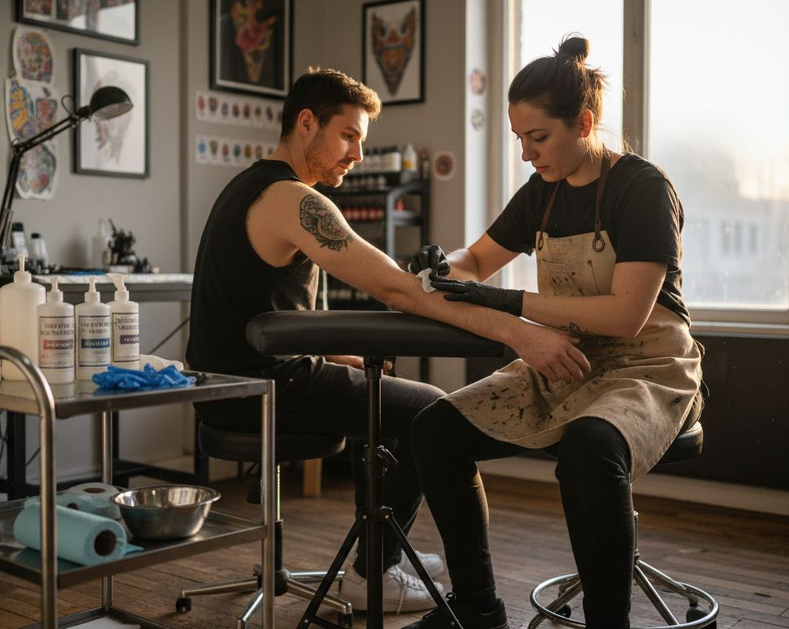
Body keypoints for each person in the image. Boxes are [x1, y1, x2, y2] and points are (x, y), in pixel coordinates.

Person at [186, 67, 589, 614]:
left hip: (229, 384)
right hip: (260, 389)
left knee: (385, 394)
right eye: (348, 135)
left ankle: (379, 559)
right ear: (307, 123)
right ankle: (377, 572)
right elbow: (401, 290)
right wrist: (521, 335)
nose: (356, 153)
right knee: (434, 413)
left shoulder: (251, 186)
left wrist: (330, 355)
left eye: (361, 140)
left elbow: (258, 304)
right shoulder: (292, 199)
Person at [401, 37, 705, 629]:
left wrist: (510, 304)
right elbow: (477, 261)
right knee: (435, 430)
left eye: (536, 139)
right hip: (563, 358)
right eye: (519, 139)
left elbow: (626, 316)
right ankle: (477, 608)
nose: (525, 154)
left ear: (584, 123)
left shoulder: (640, 188)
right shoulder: (542, 193)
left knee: (590, 449)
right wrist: (445, 267)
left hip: (648, 367)